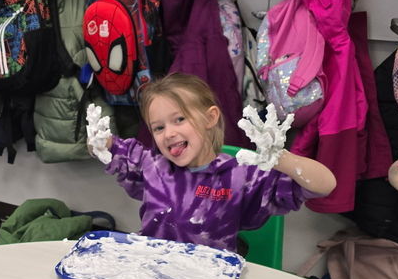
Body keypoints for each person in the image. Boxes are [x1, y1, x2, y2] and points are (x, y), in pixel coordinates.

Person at [91, 72, 336, 254]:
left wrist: (281, 158)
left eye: (179, 119)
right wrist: (98, 142)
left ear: (210, 118)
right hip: (152, 274)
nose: (168, 133)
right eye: (159, 127)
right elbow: (105, 146)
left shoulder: (241, 176)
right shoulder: (152, 166)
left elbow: (325, 184)